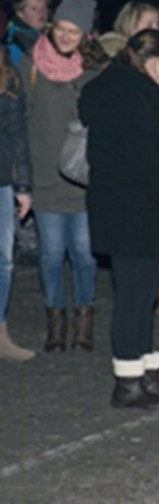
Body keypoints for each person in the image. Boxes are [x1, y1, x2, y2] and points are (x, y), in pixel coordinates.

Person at [80, 30, 159, 409]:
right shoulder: (131, 97)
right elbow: (144, 160)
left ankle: (145, 373)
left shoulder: (131, 92)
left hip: (135, 213)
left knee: (143, 296)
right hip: (135, 214)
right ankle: (127, 381)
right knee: (133, 298)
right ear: (150, 61)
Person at [20, 0, 105, 353]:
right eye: (62, 28)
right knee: (51, 254)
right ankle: (56, 319)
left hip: (84, 179)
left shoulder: (96, 71)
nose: (66, 36)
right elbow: (18, 122)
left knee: (85, 253)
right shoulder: (31, 66)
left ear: (86, 35)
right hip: (44, 178)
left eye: (75, 31)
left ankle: (84, 318)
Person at [0, 47, 33, 362]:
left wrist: (23, 185)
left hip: (1, 181)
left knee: (3, 261)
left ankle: (0, 332)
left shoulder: (7, 77)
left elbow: (17, 134)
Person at [6, 0, 50, 65]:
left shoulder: (52, 32)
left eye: (44, 7)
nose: (41, 12)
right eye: (34, 8)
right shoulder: (14, 43)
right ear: (20, 14)